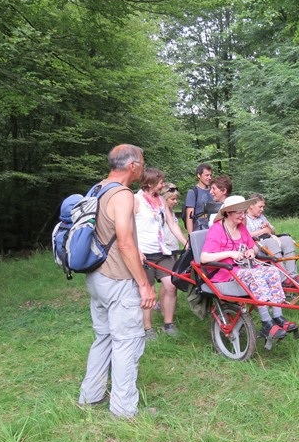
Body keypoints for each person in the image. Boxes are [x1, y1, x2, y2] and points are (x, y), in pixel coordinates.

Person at [78, 144, 156, 419]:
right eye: (142, 162)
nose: (144, 167)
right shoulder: (123, 195)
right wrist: (144, 284)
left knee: (103, 337)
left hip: (96, 276)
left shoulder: (98, 188)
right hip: (118, 280)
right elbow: (123, 243)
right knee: (127, 341)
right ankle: (123, 410)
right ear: (132, 165)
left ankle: (90, 396)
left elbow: (106, 233)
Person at [200, 195, 298, 340]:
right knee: (256, 275)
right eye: (239, 212)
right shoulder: (217, 229)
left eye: (244, 212)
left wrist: (251, 251)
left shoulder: (241, 228)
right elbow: (204, 258)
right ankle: (266, 323)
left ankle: (278, 317)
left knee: (272, 270)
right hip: (225, 272)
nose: (243, 215)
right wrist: (230, 253)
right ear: (228, 212)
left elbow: (254, 248)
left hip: (244, 268)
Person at [135, 168, 188, 340]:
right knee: (148, 291)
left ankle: (168, 324)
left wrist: (186, 242)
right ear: (149, 184)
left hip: (162, 251)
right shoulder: (136, 200)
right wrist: (137, 250)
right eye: (160, 183)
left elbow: (172, 225)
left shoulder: (160, 200)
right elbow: (127, 228)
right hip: (145, 253)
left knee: (171, 285)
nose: (163, 185)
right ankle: (147, 329)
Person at [246, 193, 299, 285]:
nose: (262, 209)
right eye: (260, 207)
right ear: (251, 206)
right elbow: (245, 235)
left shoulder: (261, 217)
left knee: (287, 239)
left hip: (268, 240)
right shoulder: (244, 218)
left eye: (263, 207)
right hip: (254, 245)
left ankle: (293, 274)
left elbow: (273, 231)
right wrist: (262, 231)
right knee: (271, 242)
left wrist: (269, 229)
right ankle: (283, 278)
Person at [184, 163, 213, 233]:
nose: (209, 178)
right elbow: (189, 216)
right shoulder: (193, 192)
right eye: (207, 175)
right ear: (199, 175)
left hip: (213, 227)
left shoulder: (213, 191)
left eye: (210, 175)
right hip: (199, 228)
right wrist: (191, 236)